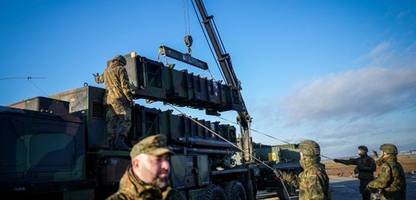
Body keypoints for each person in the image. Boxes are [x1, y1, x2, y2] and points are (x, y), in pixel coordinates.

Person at [107, 134, 178, 200]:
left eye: (166, 159)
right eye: (157, 160)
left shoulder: (174, 196)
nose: (166, 166)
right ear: (136, 164)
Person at [94, 55, 133, 149]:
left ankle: (111, 144)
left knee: (111, 122)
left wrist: (96, 77)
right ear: (121, 62)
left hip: (109, 101)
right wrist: (130, 98)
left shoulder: (106, 71)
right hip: (120, 99)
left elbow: (99, 80)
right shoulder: (121, 69)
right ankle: (120, 141)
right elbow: (125, 86)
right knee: (126, 120)